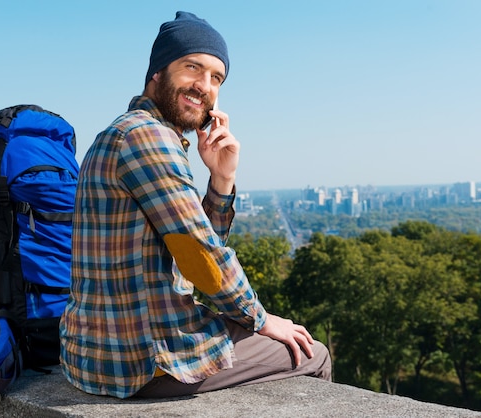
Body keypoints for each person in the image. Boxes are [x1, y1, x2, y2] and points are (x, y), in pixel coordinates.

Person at [59, 11, 331, 399]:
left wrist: (221, 179)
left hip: (97, 353)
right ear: (157, 72)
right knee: (312, 352)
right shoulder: (147, 137)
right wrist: (261, 319)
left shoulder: (125, 132)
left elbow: (187, 252)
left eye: (216, 78)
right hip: (144, 358)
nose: (204, 86)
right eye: (192, 68)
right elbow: (202, 256)